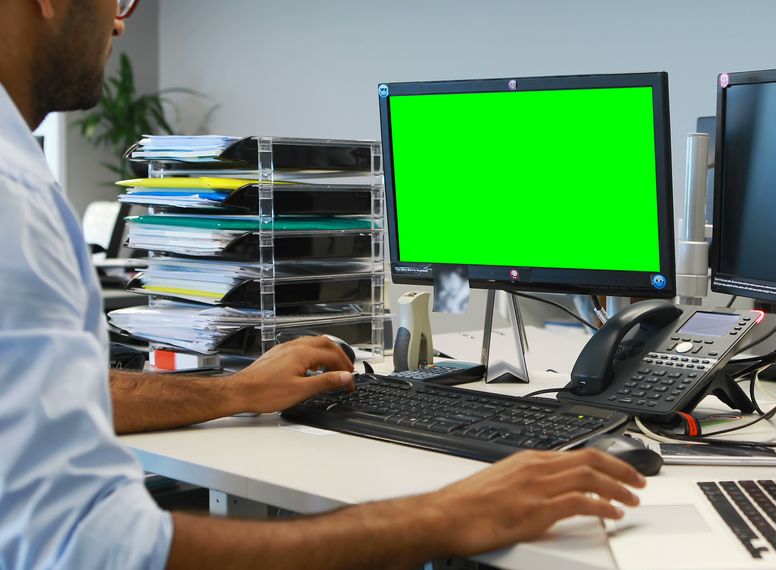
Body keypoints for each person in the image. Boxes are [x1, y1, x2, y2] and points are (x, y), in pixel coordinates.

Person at [0, 1, 645, 568]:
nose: (119, 19)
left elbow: (65, 396)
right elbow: (86, 549)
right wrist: (441, 518)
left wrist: (234, 391)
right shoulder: (14, 203)